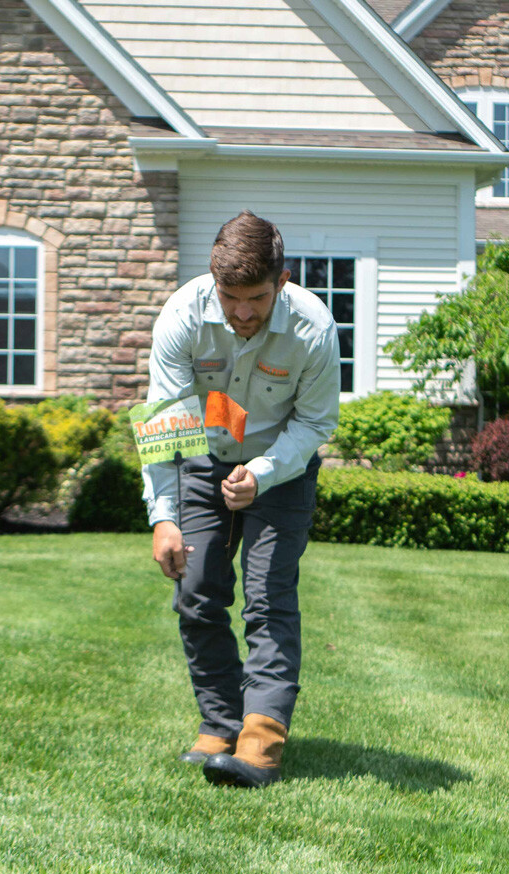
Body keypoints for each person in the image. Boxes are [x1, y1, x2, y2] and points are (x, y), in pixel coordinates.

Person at [141, 211, 340, 788]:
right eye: (231, 298)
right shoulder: (182, 316)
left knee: (268, 596)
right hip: (203, 459)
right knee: (197, 591)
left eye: (256, 297)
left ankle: (260, 742)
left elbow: (315, 421)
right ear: (213, 281)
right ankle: (220, 722)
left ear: (281, 282)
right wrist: (164, 517)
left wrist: (263, 471)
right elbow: (166, 419)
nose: (243, 313)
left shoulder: (313, 328)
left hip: (282, 466)